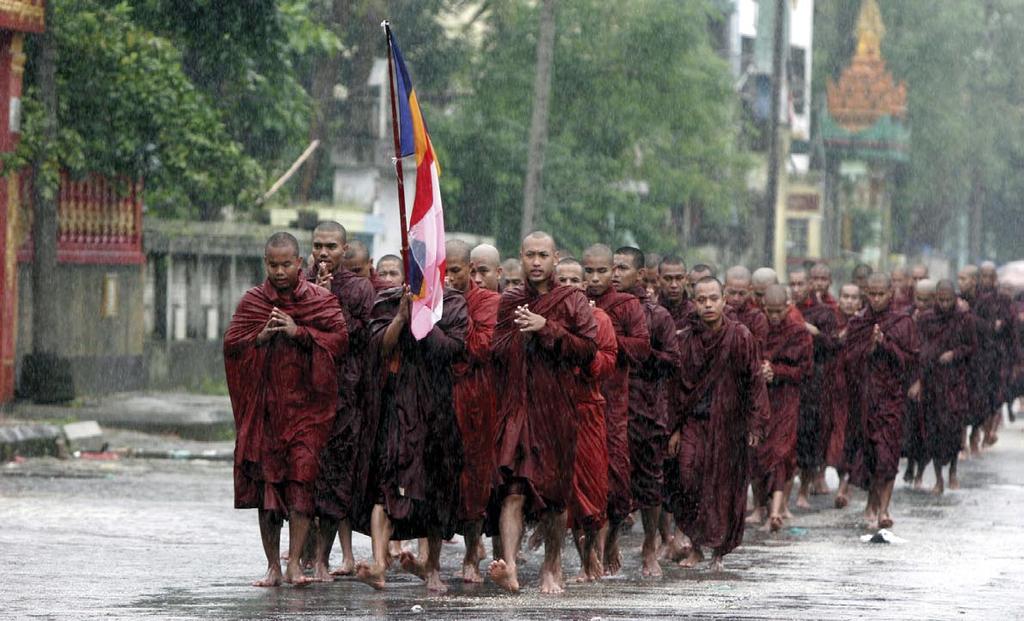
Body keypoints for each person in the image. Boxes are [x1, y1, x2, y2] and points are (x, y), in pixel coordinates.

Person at [224, 232, 349, 588]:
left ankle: (294, 562)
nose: (279, 272)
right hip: (266, 409)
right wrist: (260, 339)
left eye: (285, 265)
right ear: (266, 264)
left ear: (299, 264)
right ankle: (272, 566)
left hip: (307, 409)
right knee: (268, 488)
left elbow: (340, 341)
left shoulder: (319, 301)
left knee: (301, 481)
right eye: (272, 265)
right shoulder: (254, 301)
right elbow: (232, 344)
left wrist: (300, 332)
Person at [488, 231, 598, 594]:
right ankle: (511, 568)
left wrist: (546, 328)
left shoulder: (572, 300)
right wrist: (520, 335)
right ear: (520, 257)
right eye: (530, 255)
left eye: (543, 256)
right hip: (517, 407)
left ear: (555, 258)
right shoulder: (510, 301)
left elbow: (587, 349)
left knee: (554, 496)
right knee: (513, 490)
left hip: (556, 410)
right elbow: (495, 348)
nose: (536, 262)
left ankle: (552, 567)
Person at [351, 280, 468, 593]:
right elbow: (377, 348)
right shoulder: (389, 300)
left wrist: (424, 316)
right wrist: (402, 317)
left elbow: (451, 350)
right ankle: (378, 564)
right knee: (384, 485)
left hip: (436, 409)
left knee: (435, 488)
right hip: (396, 408)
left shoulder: (453, 303)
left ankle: (431, 567)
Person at [668, 277, 768, 572]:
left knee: (722, 488)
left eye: (713, 298)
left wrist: (754, 424)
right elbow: (676, 389)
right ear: (694, 301)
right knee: (687, 478)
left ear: (724, 299)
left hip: (729, 426)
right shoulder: (686, 339)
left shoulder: (740, 336)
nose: (708, 305)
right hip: (694, 423)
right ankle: (696, 545)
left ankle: (718, 552)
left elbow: (754, 382)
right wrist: (674, 429)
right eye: (702, 300)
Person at [304, 222, 376, 582]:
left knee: (335, 477)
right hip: (304, 395)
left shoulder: (360, 288)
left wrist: (328, 301)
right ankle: (300, 554)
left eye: (331, 246)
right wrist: (311, 297)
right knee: (303, 475)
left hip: (345, 395)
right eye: (317, 245)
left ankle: (322, 558)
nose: (323, 253)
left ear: (345, 249)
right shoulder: (298, 282)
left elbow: (358, 337)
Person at [581, 244, 650, 576]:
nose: (595, 278)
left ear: (614, 272)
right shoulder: (575, 301)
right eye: (589, 271)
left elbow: (642, 348)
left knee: (617, 481)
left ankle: (610, 542)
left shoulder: (626, 305)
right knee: (588, 480)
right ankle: (591, 550)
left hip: (614, 403)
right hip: (581, 402)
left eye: (602, 271)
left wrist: (606, 337)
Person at [613, 246, 679, 578]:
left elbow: (672, 360)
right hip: (612, 405)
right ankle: (605, 545)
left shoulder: (657, 315)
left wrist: (639, 351)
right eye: (612, 267)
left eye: (622, 268)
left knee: (650, 483)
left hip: (647, 406)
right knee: (609, 479)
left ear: (640, 275)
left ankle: (649, 545)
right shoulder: (603, 308)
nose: (614, 273)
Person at [556, 258, 616, 582]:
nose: (567, 285)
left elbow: (607, 362)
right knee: (565, 491)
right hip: (554, 410)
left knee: (592, 488)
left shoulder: (599, 319)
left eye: (573, 280)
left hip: (588, 408)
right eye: (560, 279)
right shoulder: (544, 318)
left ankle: (592, 551)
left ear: (582, 285)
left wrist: (582, 348)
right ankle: (578, 559)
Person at [843, 273, 919, 529]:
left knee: (888, 455)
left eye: (880, 294)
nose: (876, 299)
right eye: (871, 294)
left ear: (890, 293)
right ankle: (872, 501)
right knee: (871, 455)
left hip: (891, 399)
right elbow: (848, 359)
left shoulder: (902, 322)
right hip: (865, 399)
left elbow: (911, 359)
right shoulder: (858, 323)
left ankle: (884, 509)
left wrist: (885, 345)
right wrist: (870, 348)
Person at [445, 240, 501, 584]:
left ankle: (471, 555)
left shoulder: (490, 303)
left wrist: (449, 323)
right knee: (439, 478)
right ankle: (431, 559)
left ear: (471, 271)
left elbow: (481, 346)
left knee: (476, 480)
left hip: (478, 397)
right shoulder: (431, 301)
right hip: (439, 396)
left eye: (456, 270)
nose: (449, 277)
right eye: (444, 270)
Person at [913, 280, 976, 495]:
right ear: (936, 298)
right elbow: (918, 349)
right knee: (934, 430)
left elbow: (972, 347)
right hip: (932, 382)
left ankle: (953, 471)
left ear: (955, 298)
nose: (945, 304)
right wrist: (920, 380)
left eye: (949, 299)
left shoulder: (964, 319)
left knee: (953, 427)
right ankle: (939, 477)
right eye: (941, 299)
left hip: (955, 382)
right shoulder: (927, 319)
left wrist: (954, 353)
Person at [758, 284, 812, 532]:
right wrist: (762, 370)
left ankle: (777, 511)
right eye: (770, 311)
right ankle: (765, 506)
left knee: (781, 452)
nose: (775, 316)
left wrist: (777, 372)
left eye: (779, 311)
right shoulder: (757, 328)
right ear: (763, 308)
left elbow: (805, 370)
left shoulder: (798, 332)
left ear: (788, 307)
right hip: (763, 400)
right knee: (763, 453)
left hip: (787, 398)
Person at [792, 266, 842, 506]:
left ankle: (805, 487)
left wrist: (815, 333)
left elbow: (833, 345)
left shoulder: (824, 313)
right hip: (791, 381)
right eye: (792, 284)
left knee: (811, 433)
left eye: (800, 284)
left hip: (816, 381)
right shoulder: (784, 310)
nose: (796, 288)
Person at [976, 261, 1017, 447]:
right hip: (979, 355)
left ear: (995, 279)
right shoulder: (975, 297)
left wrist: (1016, 359)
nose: (986, 280)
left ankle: (990, 431)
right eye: (983, 276)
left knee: (996, 395)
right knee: (980, 395)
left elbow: (1012, 330)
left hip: (1000, 355)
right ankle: (978, 433)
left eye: (989, 276)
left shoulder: (1004, 300)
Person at [902, 279, 936, 488]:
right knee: (910, 428)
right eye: (918, 299)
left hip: (932, 382)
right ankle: (909, 466)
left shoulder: (937, 319)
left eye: (927, 300)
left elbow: (932, 353)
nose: (922, 304)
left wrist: (922, 381)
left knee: (927, 430)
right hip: (907, 378)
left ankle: (920, 471)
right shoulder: (907, 315)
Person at [831, 283, 861, 509]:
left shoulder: (865, 323)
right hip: (834, 392)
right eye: (845, 296)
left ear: (860, 302)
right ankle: (842, 479)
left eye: (854, 298)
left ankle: (846, 483)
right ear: (839, 299)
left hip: (860, 391)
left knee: (854, 438)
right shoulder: (830, 319)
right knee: (837, 438)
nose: (849, 301)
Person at [724, 266, 769, 350]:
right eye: (732, 292)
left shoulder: (757, 318)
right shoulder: (717, 312)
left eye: (741, 293)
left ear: (750, 290)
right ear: (723, 288)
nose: (736, 298)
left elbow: (758, 350)